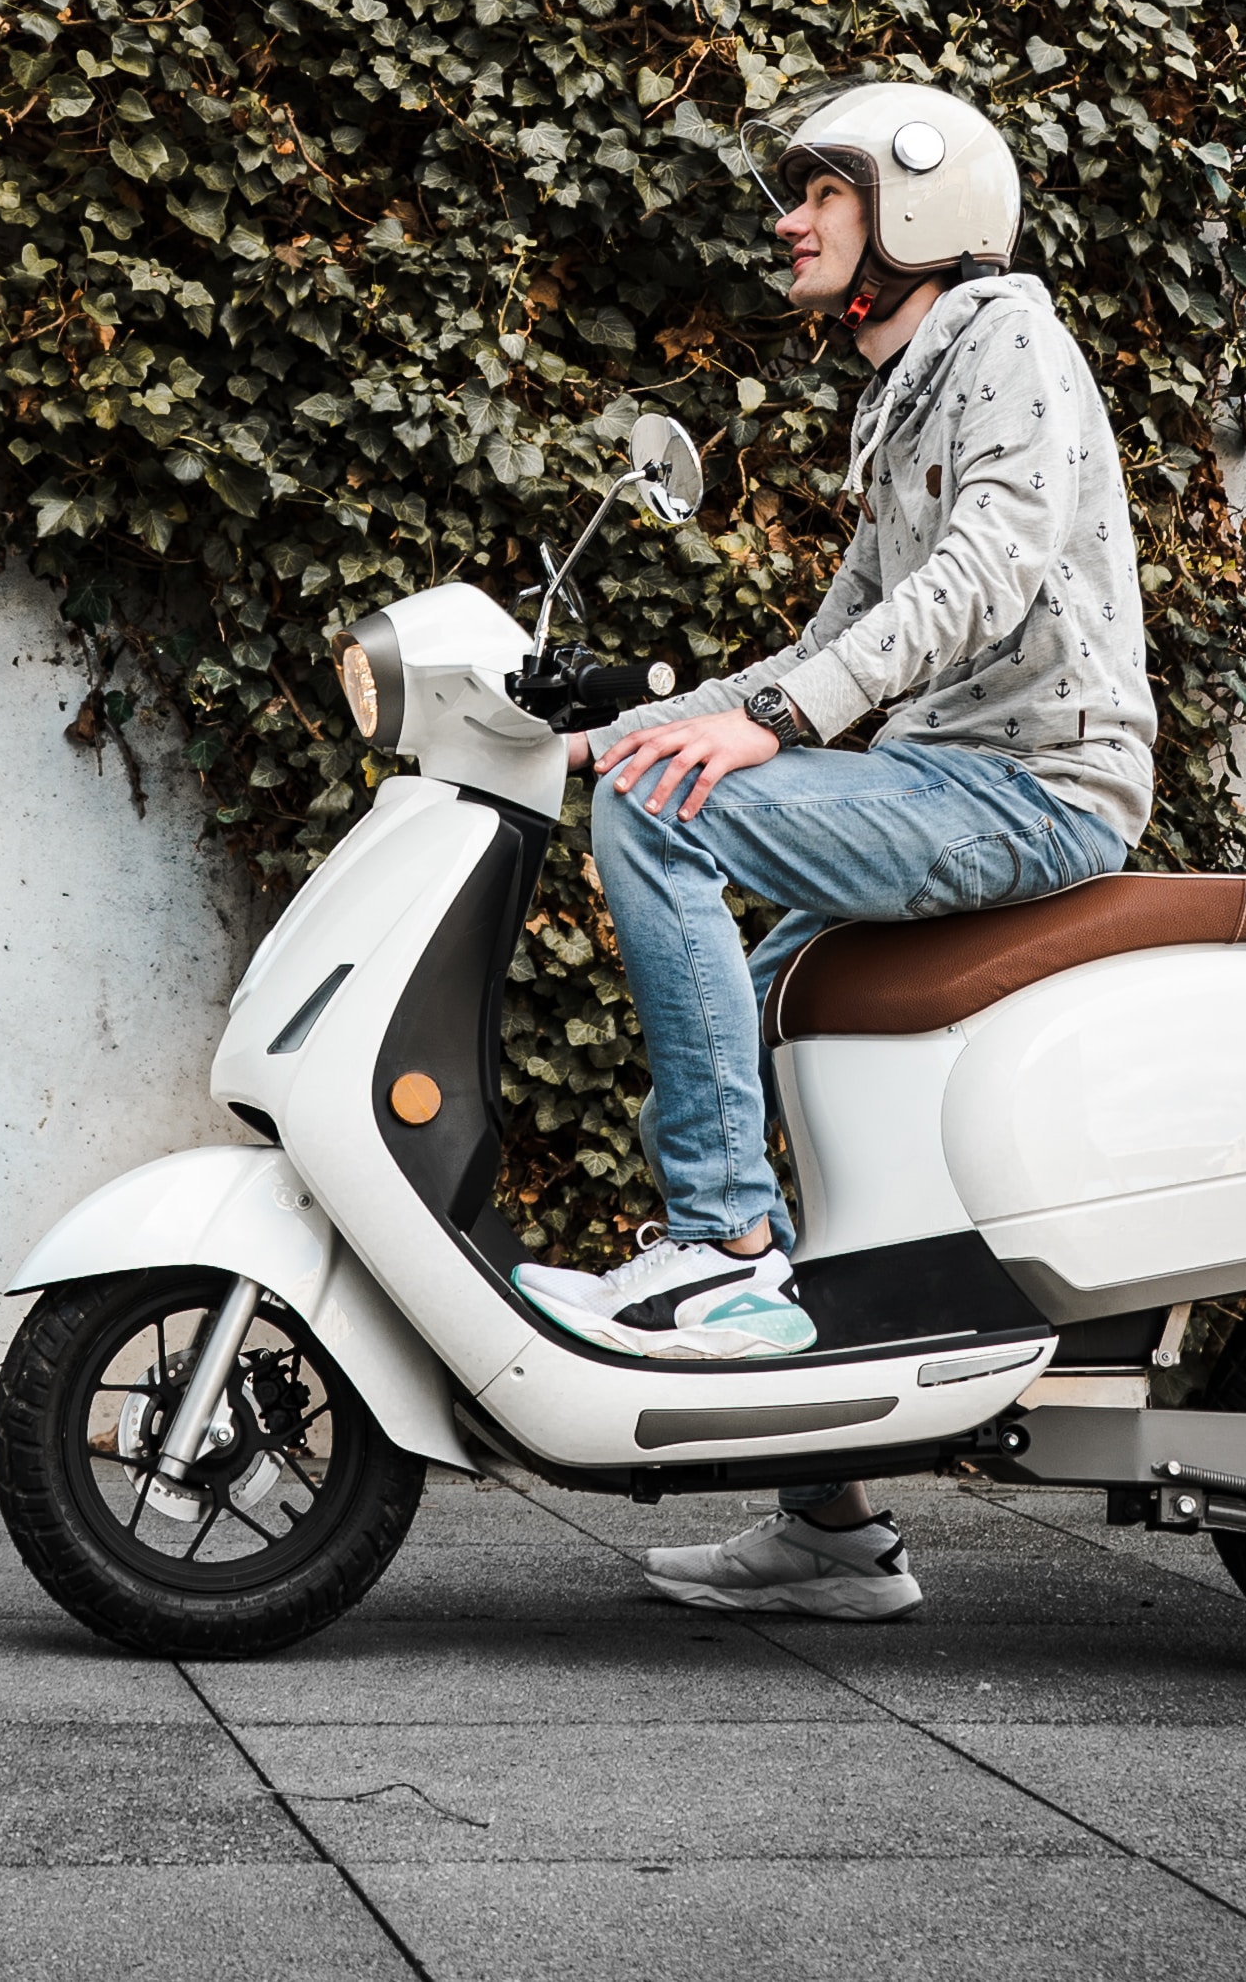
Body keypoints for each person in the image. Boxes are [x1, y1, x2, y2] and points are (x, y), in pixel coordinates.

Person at [514, 78, 1154, 1621]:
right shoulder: (905, 390)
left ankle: (722, 1244)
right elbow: (841, 637)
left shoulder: (1010, 342)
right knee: (764, 989)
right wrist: (624, 724)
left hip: (1035, 783)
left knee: (668, 817)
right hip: (948, 772)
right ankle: (836, 1528)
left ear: (917, 206)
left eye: (822, 190)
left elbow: (990, 568)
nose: (786, 220)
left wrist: (764, 727)